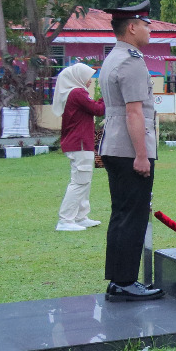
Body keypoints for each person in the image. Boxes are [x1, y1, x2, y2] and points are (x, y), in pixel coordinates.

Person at [97, 3, 164, 299]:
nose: (150, 29)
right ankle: (125, 281)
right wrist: (141, 155)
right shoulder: (132, 61)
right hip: (129, 147)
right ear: (132, 27)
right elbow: (134, 112)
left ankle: (118, 279)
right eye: (146, 24)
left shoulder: (113, 57)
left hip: (113, 143)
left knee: (121, 214)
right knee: (133, 215)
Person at [54, 62, 106, 232]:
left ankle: (80, 216)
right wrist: (107, 96)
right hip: (80, 143)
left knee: (84, 180)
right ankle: (66, 219)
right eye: (88, 77)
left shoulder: (72, 93)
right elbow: (98, 110)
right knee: (80, 181)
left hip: (79, 143)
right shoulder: (77, 93)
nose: (90, 81)